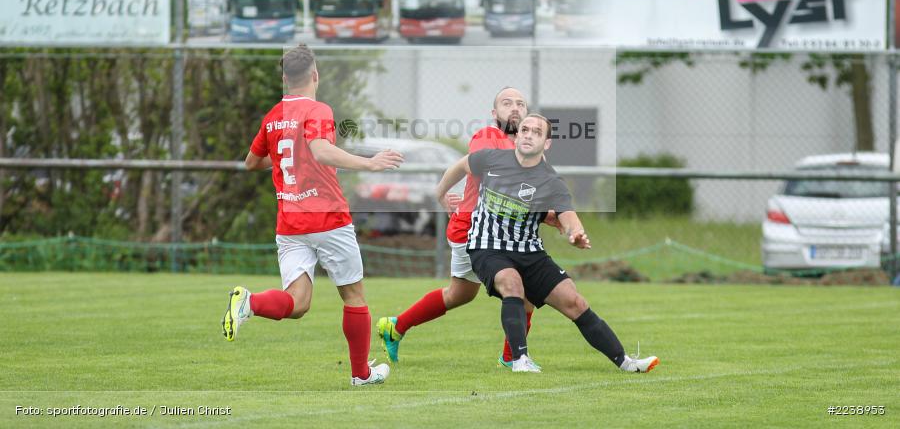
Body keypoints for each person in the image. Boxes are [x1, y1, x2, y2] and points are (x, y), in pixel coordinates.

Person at [221, 45, 404, 387]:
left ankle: (251, 302)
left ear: (284, 79)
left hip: (290, 222)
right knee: (354, 296)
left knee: (299, 303)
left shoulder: (274, 116)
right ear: (315, 75)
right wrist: (369, 162)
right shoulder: (318, 109)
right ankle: (360, 374)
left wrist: (286, 157)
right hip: (327, 218)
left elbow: (251, 162)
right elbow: (320, 150)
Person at [434, 113, 660, 374]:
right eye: (525, 130)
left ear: (547, 143)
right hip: (488, 246)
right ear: (517, 136)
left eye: (536, 132)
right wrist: (440, 194)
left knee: (575, 302)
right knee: (512, 284)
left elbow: (568, 214)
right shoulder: (490, 159)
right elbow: (461, 166)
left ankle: (626, 362)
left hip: (529, 251)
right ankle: (519, 360)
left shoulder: (550, 180)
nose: (528, 134)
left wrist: (575, 233)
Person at [375, 87, 546, 368]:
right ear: (494, 113)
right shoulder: (488, 136)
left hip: (500, 232)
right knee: (523, 291)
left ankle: (395, 327)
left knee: (460, 294)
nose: (514, 108)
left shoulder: (530, 148)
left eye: (520, 104)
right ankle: (512, 357)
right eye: (506, 103)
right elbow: (481, 169)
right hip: (474, 229)